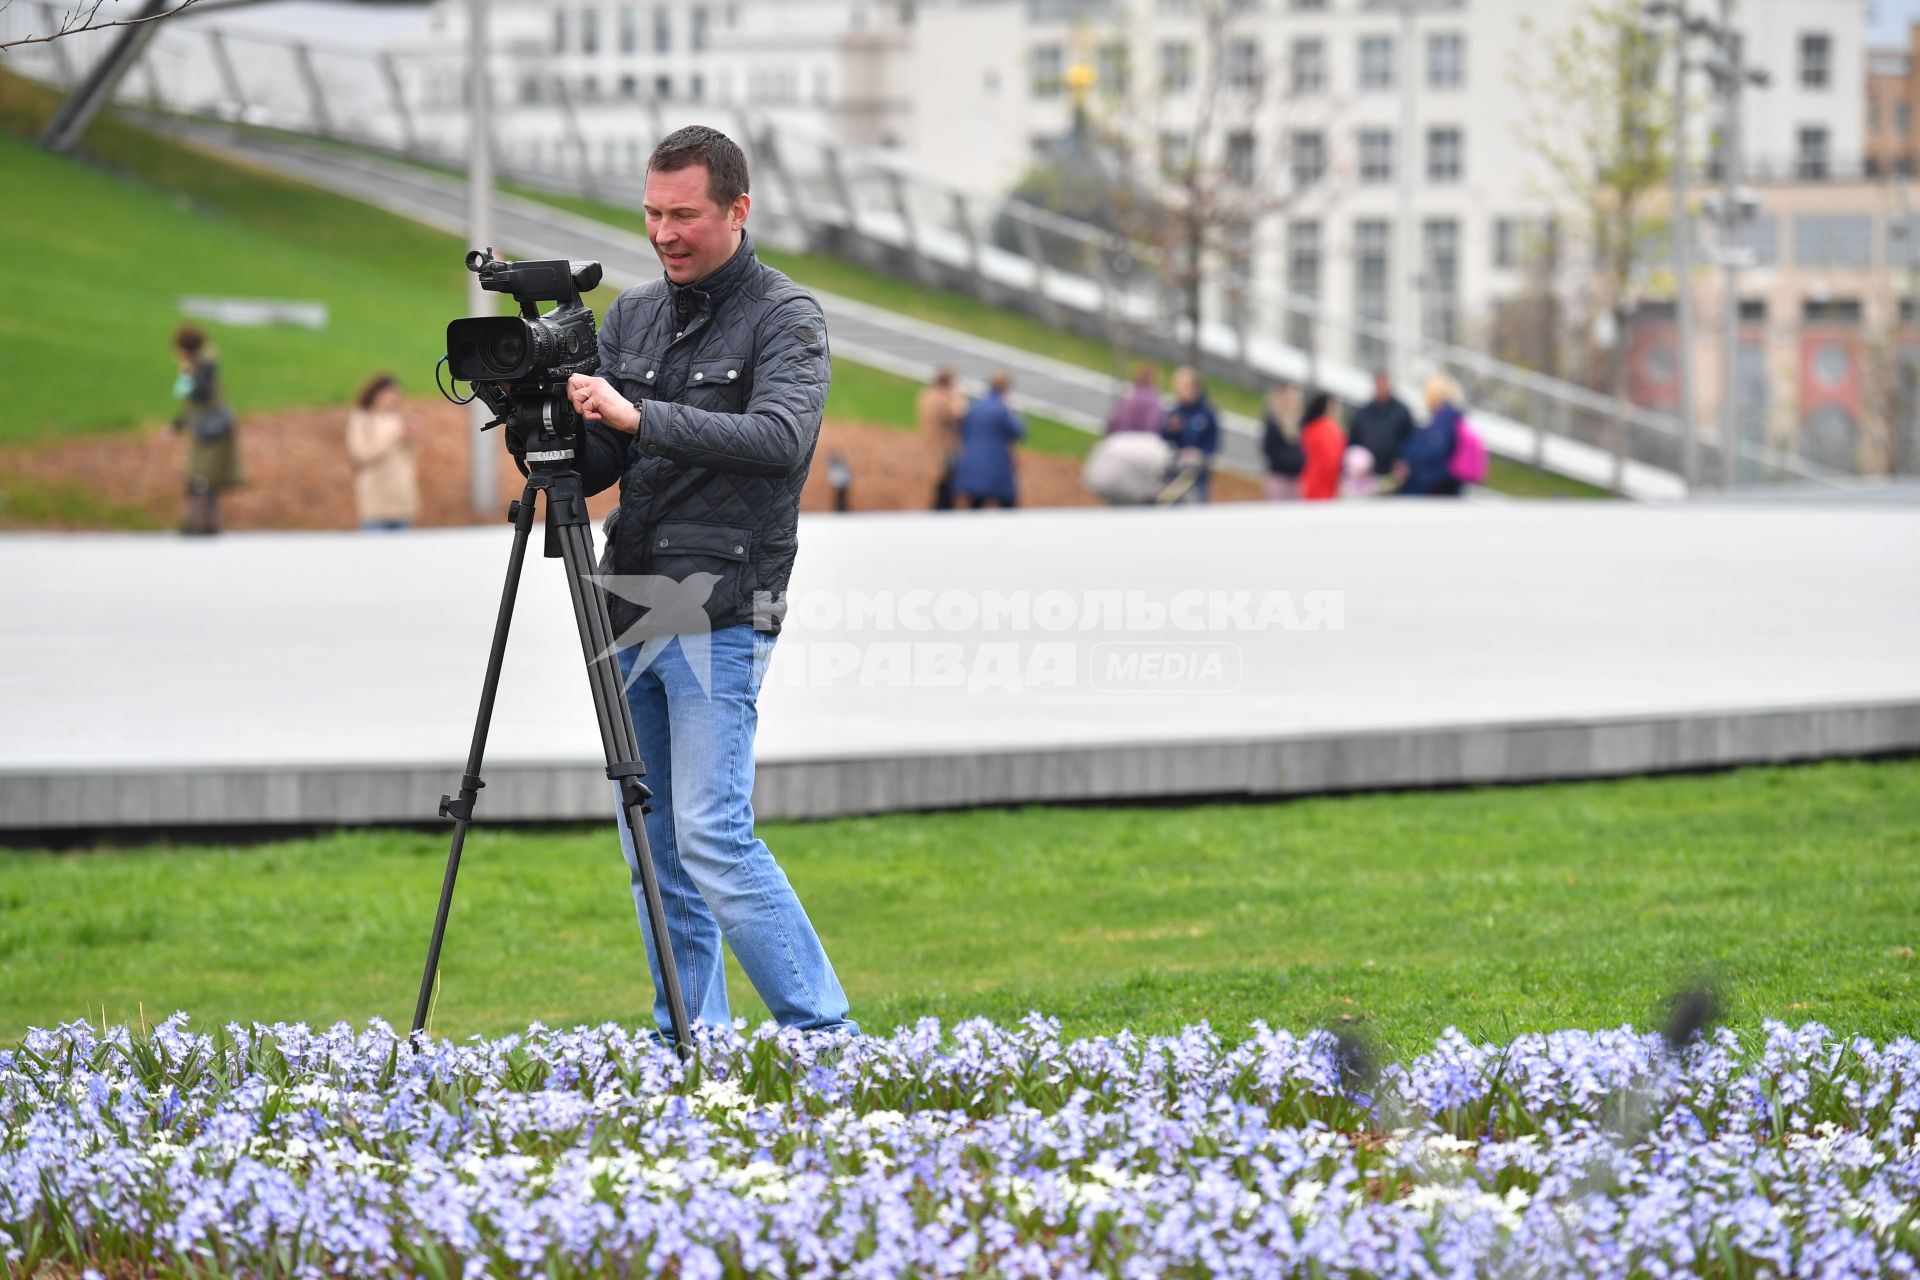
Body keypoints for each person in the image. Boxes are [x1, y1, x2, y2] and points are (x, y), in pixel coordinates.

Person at [557, 124, 858, 1040]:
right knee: (653, 847)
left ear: (738, 208)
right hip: (630, 601)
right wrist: (555, 419)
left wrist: (640, 416)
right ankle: (692, 1043)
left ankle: (829, 1044)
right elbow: (607, 459)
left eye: (683, 214)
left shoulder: (785, 315)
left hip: (725, 605)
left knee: (713, 837)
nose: (663, 233)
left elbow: (780, 442)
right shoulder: (634, 314)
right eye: (651, 213)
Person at [167, 324, 242, 535]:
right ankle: (202, 523)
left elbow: (201, 395)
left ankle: (201, 524)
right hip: (204, 429)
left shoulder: (206, 364)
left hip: (212, 430)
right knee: (201, 479)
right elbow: (189, 402)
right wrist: (176, 425)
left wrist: (188, 374)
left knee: (203, 479)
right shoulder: (199, 363)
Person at [345, 372, 419, 531]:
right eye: (390, 393)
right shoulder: (362, 419)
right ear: (377, 394)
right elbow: (360, 454)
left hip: (401, 502)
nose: (394, 398)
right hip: (376, 505)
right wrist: (392, 437)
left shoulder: (399, 418)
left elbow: (409, 456)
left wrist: (411, 437)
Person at [951, 371, 1026, 509]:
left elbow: (963, 433)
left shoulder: (974, 408)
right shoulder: (1002, 409)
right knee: (1008, 507)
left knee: (976, 507)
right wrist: (1019, 415)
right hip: (996, 467)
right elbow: (1018, 433)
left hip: (971, 466)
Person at [1392, 374, 1467, 497]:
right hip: (1428, 485)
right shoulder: (1442, 418)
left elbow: (1433, 452)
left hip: (1428, 488)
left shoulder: (1444, 420)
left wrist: (1409, 466)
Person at [1163, 366, 1221, 502]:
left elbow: (1212, 443)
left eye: (1183, 386)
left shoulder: (1206, 413)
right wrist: (1171, 430)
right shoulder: (1177, 411)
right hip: (1176, 470)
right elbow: (1165, 438)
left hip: (1197, 474)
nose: (1179, 391)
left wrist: (1200, 455)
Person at [1347, 372, 1415, 485]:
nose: (1381, 387)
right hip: (1366, 475)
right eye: (1378, 384)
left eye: (1383, 383)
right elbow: (1354, 441)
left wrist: (1403, 460)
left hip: (1394, 474)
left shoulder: (1402, 411)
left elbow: (1411, 439)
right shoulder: (1363, 412)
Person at [915, 367, 966, 510]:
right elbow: (958, 414)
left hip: (932, 446)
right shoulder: (942, 401)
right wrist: (957, 396)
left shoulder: (926, 396)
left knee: (941, 487)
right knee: (945, 490)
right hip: (944, 450)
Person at [1297, 391, 1348, 501]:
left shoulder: (1310, 428)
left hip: (1311, 480)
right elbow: (1331, 461)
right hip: (1327, 484)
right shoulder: (1330, 430)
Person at [1260, 383, 1305, 500]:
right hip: (1279, 476)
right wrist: (1290, 461)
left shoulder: (1300, 422)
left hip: (1296, 479)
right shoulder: (1274, 420)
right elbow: (1268, 448)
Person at [1106, 362, 1165, 435]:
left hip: (1125, 435)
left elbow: (1116, 420)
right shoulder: (1155, 399)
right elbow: (1154, 423)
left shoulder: (1130, 394)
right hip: (1145, 439)